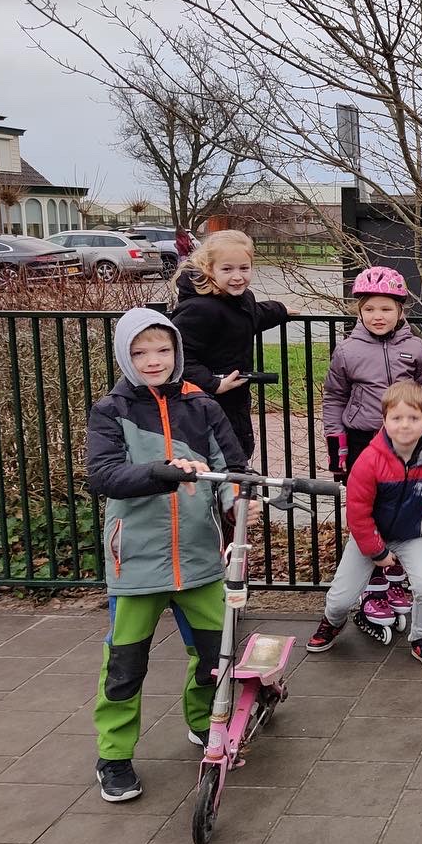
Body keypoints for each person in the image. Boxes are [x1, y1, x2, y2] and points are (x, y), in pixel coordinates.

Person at [87, 306, 253, 803]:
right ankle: (113, 757)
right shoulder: (110, 410)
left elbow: (231, 467)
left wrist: (238, 499)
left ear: (177, 351)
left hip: (200, 559)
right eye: (140, 352)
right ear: (124, 355)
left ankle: (206, 724)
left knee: (214, 656)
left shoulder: (201, 405)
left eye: (162, 349)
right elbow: (104, 475)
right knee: (124, 665)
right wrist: (161, 471)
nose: (153, 360)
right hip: (136, 561)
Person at [306, 381, 422, 666]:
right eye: (396, 418)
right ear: (384, 421)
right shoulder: (369, 460)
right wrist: (377, 551)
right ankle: (332, 621)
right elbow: (357, 512)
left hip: (412, 534)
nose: (405, 425)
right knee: (340, 599)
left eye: (413, 418)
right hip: (370, 536)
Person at [170, 229, 289, 459]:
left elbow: (253, 316)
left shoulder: (238, 299)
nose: (238, 276)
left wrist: (281, 310)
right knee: (219, 459)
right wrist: (213, 383)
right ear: (209, 269)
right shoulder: (199, 308)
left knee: (238, 454)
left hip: (235, 399)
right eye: (227, 269)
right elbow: (178, 354)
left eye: (244, 268)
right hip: (205, 402)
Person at [322, 266, 422, 480]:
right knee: (364, 504)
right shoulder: (347, 351)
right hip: (362, 440)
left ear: (400, 311)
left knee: (405, 502)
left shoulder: (415, 347)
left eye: (386, 309)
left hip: (406, 438)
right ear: (360, 312)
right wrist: (337, 444)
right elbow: (334, 398)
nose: (377, 316)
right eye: (369, 309)